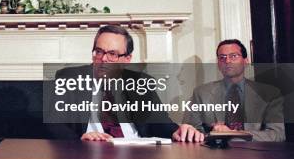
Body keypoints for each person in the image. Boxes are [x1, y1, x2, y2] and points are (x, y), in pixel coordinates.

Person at [52, 25, 204, 142]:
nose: (104, 59)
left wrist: (180, 130)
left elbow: (160, 122)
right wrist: (81, 139)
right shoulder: (69, 78)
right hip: (90, 150)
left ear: (127, 59)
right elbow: (55, 124)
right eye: (99, 52)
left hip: (136, 152)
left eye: (112, 54)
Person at [183, 39, 285, 141]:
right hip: (215, 153)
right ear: (218, 64)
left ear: (246, 61)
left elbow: (277, 134)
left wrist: (234, 134)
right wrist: (212, 134)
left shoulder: (270, 93)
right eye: (222, 57)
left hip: (257, 154)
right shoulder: (201, 93)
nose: (227, 61)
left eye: (233, 56)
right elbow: (192, 131)